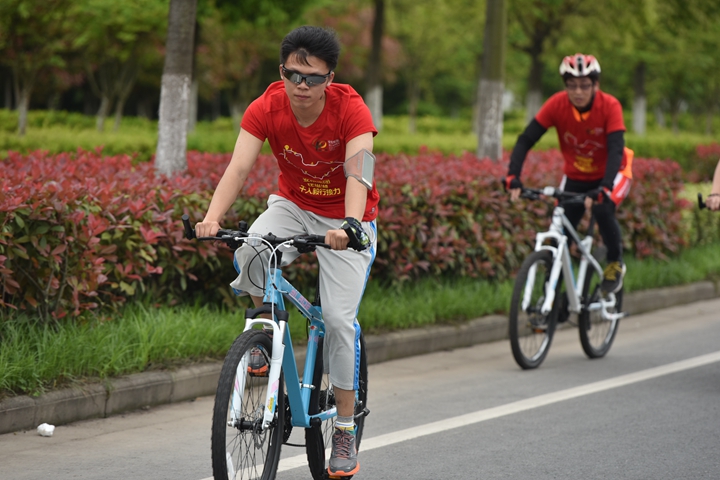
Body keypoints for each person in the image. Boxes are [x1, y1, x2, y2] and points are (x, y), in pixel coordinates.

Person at [195, 26, 378, 477]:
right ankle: (264, 331)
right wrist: (212, 217)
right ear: (282, 71)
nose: (301, 85)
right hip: (292, 207)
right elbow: (239, 166)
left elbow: (359, 173)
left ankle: (344, 427)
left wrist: (350, 225)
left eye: (312, 78)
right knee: (251, 249)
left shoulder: (351, 110)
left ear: (329, 78)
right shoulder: (266, 105)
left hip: (346, 219)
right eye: (293, 74)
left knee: (338, 320)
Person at [505, 53, 633, 294]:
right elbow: (526, 140)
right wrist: (513, 176)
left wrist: (605, 186)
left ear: (596, 85)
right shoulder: (557, 105)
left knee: (602, 208)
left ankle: (615, 263)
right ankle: (554, 298)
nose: (578, 92)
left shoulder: (610, 106)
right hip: (576, 176)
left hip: (613, 173)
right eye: (572, 85)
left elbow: (616, 149)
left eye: (584, 85)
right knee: (558, 236)